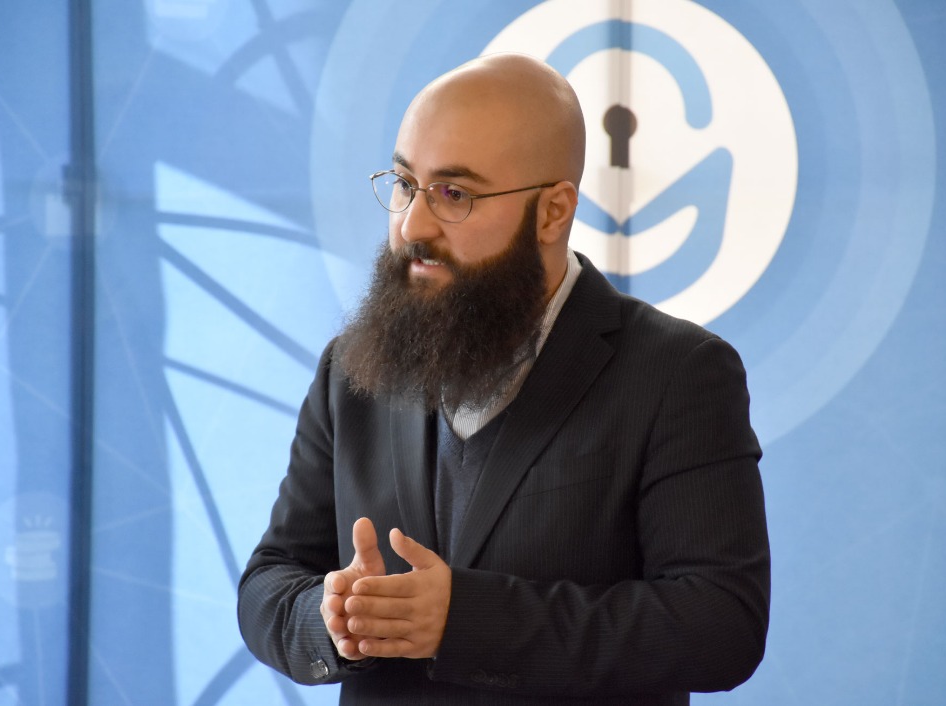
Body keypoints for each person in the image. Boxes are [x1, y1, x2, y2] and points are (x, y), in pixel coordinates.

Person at [237, 53, 769, 705]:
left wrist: (466, 621)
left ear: (553, 212)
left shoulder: (677, 373)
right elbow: (269, 582)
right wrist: (331, 618)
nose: (412, 225)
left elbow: (720, 626)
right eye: (404, 184)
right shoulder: (349, 371)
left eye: (453, 194)